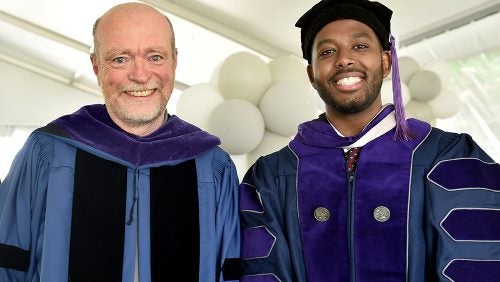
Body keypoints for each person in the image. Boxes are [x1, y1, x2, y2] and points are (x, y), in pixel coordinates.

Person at [238, 0, 500, 281]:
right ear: (312, 75)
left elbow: (479, 264)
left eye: (360, 46)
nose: (344, 59)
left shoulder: (449, 156)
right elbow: (260, 271)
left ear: (386, 62)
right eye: (327, 51)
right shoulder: (272, 174)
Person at [0, 3, 240, 282]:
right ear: (96, 66)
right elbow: (8, 261)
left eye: (155, 57)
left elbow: (231, 270)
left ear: (174, 61)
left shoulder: (212, 165)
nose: (140, 75)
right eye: (120, 59)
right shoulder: (47, 151)